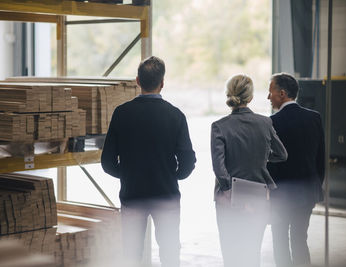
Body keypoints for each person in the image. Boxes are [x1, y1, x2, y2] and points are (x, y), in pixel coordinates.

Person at [101, 56, 196, 267]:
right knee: (170, 253)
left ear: (137, 80)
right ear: (162, 83)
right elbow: (188, 161)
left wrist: (127, 172)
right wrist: (173, 175)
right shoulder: (176, 116)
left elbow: (107, 162)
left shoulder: (121, 113)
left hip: (133, 194)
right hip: (166, 193)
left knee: (131, 254)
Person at [211, 74, 287, 267]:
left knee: (230, 251)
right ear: (251, 98)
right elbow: (282, 154)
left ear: (229, 95)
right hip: (257, 194)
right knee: (253, 250)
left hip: (228, 197)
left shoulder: (219, 127)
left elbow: (219, 169)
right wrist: (261, 158)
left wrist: (229, 189)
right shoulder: (265, 123)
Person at [267, 73, 325, 267]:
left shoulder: (272, 122)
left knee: (280, 241)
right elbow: (320, 159)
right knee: (300, 239)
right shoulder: (314, 118)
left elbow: (270, 163)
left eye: (271, 92)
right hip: (307, 191)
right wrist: (315, 185)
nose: (269, 97)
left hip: (281, 194)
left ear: (282, 93)